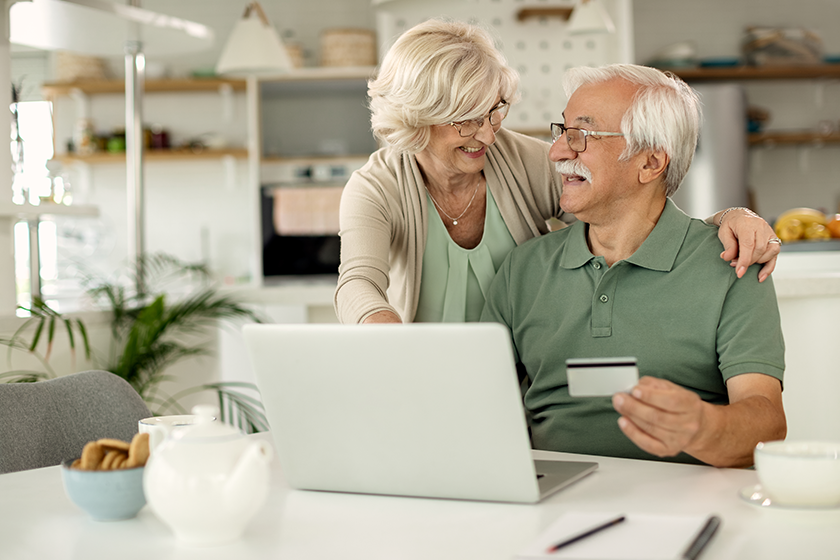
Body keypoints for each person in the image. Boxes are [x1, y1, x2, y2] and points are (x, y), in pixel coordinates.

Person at [335, 18, 781, 325]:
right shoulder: (376, 188)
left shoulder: (525, 161)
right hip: (417, 374)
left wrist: (725, 219)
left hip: (523, 381)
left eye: (495, 112)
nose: (488, 137)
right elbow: (358, 282)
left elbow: (627, 214)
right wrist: (385, 333)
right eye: (466, 119)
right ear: (418, 115)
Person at [480, 63, 786, 468]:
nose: (556, 151)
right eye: (562, 131)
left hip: (684, 502)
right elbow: (480, 408)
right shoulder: (524, 268)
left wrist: (701, 426)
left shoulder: (731, 263)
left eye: (582, 135)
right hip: (549, 501)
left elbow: (767, 423)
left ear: (650, 163)